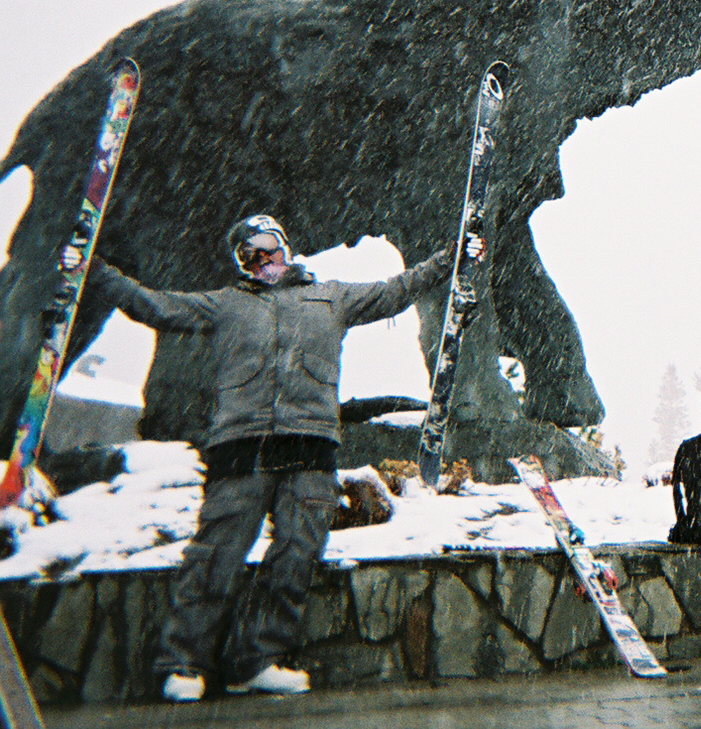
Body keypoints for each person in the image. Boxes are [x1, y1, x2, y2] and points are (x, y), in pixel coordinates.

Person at [85, 214, 474, 702]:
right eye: (249, 253)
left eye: (268, 246)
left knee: (297, 553)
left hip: (310, 449)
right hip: (240, 451)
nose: (263, 259)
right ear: (240, 263)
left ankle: (256, 660)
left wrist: (452, 256)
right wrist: (97, 271)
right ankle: (181, 661)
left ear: (285, 248)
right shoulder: (224, 305)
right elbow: (155, 307)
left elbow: (398, 288)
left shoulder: (331, 297)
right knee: (216, 554)